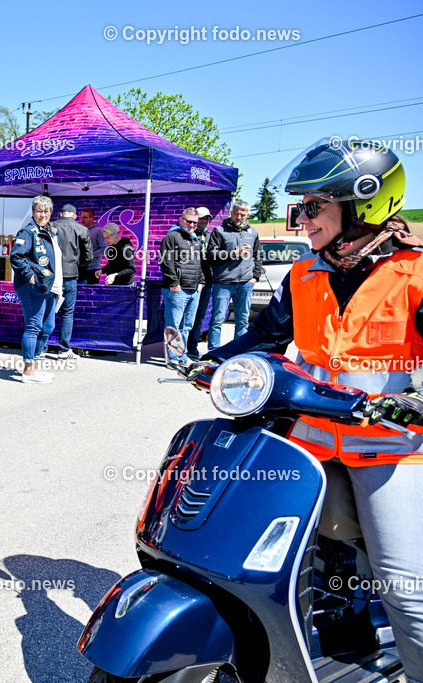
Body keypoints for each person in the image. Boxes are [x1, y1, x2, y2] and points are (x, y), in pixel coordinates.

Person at [201, 139, 423, 680]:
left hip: (390, 453)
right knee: (286, 561)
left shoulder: (415, 274)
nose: (299, 218)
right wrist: (209, 361)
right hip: (310, 444)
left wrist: (413, 401)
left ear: (362, 205)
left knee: (407, 592)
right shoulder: (304, 275)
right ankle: (343, 645)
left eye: (313, 206)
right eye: (298, 206)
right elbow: (264, 337)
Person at [10, 195, 58, 384]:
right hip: (32, 286)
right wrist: (30, 276)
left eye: (46, 211)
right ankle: (28, 372)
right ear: (33, 212)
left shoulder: (49, 231)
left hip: (48, 286)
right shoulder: (28, 231)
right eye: (39, 210)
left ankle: (35, 367)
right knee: (34, 326)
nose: (43, 214)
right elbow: (17, 257)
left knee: (48, 327)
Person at [205, 200, 263, 351]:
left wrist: (255, 277)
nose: (239, 217)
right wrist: (234, 253)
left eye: (242, 215)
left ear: (247, 215)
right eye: (236, 213)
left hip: (245, 283)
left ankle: (238, 351)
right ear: (231, 213)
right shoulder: (219, 231)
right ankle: (214, 352)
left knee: (243, 321)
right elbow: (211, 255)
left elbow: (258, 255)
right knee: (217, 319)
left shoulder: (253, 232)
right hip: (223, 282)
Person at [159, 207, 204, 363]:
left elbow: (200, 263)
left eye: (195, 223)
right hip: (177, 290)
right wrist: (174, 284)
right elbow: (166, 262)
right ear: (181, 219)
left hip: (194, 289)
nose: (192, 225)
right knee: (174, 326)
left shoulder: (196, 239)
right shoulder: (171, 237)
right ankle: (173, 357)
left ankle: (181, 355)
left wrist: (201, 282)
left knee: (187, 327)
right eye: (189, 221)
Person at [48, 204, 91, 358]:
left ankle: (41, 347)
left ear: (60, 214)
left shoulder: (50, 226)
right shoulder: (82, 229)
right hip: (71, 275)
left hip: (51, 275)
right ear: (74, 215)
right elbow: (88, 256)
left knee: (47, 311)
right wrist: (76, 264)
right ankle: (63, 349)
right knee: (67, 313)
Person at [187, 207, 214, 358]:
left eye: (207, 219)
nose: (204, 221)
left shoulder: (211, 236)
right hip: (190, 282)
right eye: (202, 218)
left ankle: (193, 346)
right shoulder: (188, 235)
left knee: (199, 317)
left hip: (207, 282)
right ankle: (181, 347)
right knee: (187, 317)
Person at [81, 208, 106, 284]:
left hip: (92, 268)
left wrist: (89, 255)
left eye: (85, 217)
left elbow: (104, 249)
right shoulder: (80, 230)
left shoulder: (99, 231)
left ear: (92, 218)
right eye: (81, 217)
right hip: (79, 268)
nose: (82, 219)